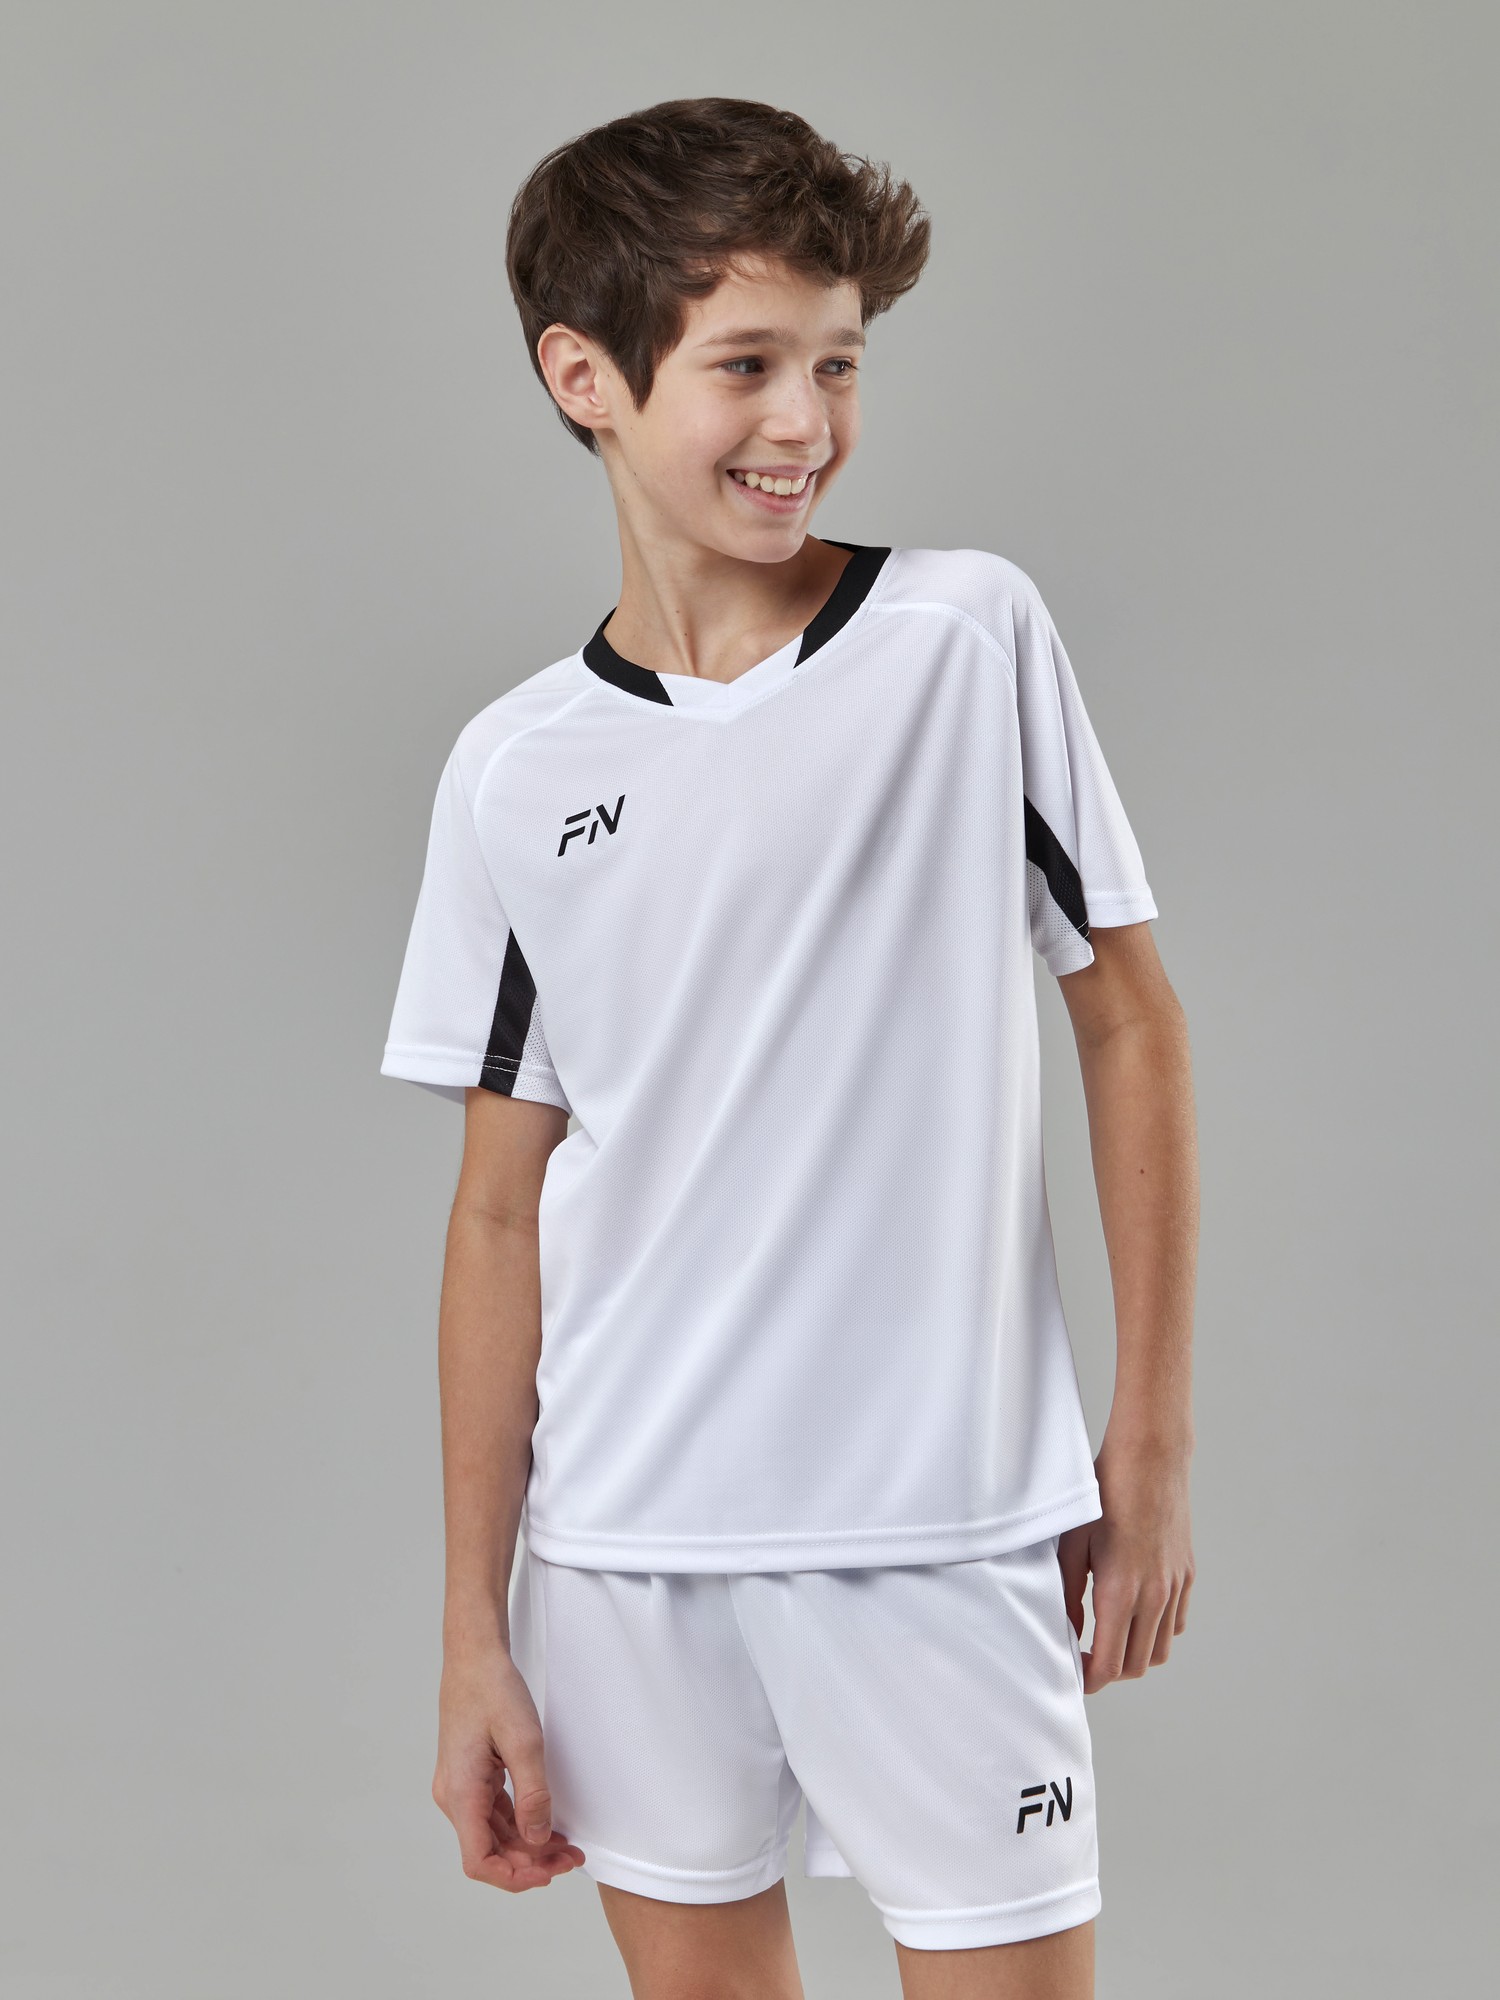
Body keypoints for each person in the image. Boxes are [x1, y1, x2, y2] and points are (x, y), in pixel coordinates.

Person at [379, 95, 1198, 2000]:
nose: (806, 420)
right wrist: (474, 1632)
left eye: (838, 363)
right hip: (624, 1554)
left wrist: (1147, 1446)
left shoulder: (964, 638)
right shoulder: (514, 770)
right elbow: (497, 1215)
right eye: (746, 365)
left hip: (945, 1531)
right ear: (584, 378)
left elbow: (1130, 1019)